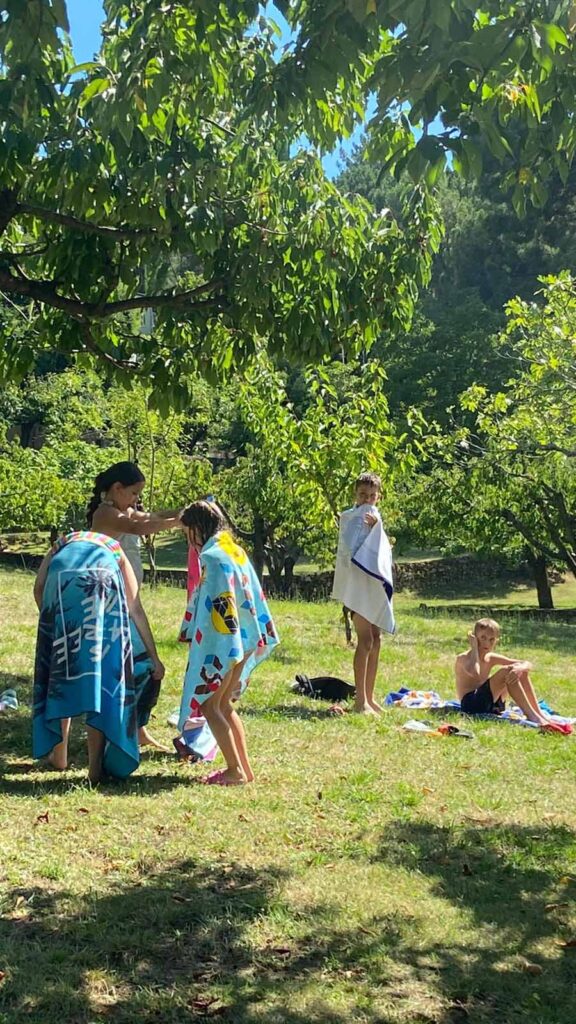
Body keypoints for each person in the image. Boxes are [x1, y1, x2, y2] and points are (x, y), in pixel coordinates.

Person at [32, 529, 153, 782]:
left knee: (63, 666)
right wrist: (154, 655)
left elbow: (39, 587)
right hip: (103, 579)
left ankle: (60, 754)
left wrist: (52, 621)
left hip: (61, 578)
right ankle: (94, 769)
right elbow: (134, 607)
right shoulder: (115, 548)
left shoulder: (62, 542)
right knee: (98, 678)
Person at [178, 500, 279, 785]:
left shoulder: (212, 556)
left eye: (188, 533)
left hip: (226, 641)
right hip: (247, 635)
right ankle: (245, 770)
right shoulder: (233, 549)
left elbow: (216, 607)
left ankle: (234, 771)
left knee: (210, 706)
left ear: (197, 528)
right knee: (224, 705)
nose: (189, 541)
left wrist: (208, 646)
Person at [88, 461, 181, 749]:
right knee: (145, 665)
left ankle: (138, 728)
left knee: (146, 666)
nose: (136, 500)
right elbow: (141, 527)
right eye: (133, 493)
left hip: (125, 598)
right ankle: (129, 730)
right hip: (111, 601)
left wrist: (182, 512)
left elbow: (150, 515)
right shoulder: (106, 514)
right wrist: (181, 522)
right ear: (116, 489)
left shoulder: (121, 509)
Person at [331, 472, 395, 715]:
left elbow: (380, 550)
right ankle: (360, 700)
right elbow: (351, 549)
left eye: (371, 496)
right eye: (362, 495)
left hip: (372, 586)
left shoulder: (374, 517)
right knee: (365, 640)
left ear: (378, 497)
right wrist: (371, 530)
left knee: (376, 639)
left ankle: (369, 695)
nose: (367, 500)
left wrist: (376, 529)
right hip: (358, 589)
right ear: (355, 495)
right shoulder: (351, 518)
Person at [455, 618, 573, 734]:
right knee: (507, 671)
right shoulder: (463, 658)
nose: (487, 643)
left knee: (518, 670)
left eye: (492, 640)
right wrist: (474, 649)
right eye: (483, 638)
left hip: (492, 705)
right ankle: (532, 716)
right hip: (471, 706)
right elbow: (477, 674)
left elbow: (527, 663)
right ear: (474, 638)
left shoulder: (490, 657)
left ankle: (538, 714)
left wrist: (521, 668)